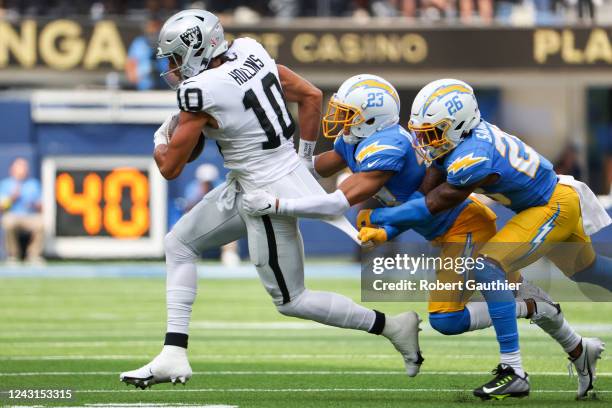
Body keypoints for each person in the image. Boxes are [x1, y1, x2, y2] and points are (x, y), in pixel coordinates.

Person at [242, 74, 597, 400]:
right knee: (463, 313)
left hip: (466, 226)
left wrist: (278, 203)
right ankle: (577, 346)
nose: (339, 119)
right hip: (446, 230)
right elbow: (315, 169)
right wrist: (265, 165)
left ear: (371, 118)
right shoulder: (356, 140)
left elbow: (356, 201)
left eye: (348, 113)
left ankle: (517, 362)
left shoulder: (389, 147)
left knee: (468, 303)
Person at [120, 9, 422, 389]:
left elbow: (169, 167)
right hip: (256, 178)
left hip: (262, 193)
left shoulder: (200, 91)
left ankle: (394, 326)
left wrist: (161, 136)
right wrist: (305, 161)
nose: (174, 66)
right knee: (179, 243)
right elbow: (311, 97)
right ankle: (173, 353)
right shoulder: (250, 52)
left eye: (177, 56)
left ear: (197, 49)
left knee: (292, 300)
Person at [356, 78, 609, 399]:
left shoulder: (473, 154)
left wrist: (383, 218)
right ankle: (570, 345)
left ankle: (513, 370)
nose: (423, 140)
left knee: (487, 266)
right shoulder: (457, 140)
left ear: (458, 126)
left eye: (431, 133)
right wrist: (389, 228)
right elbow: (425, 196)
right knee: (589, 271)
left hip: (551, 205)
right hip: (547, 202)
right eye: (421, 131)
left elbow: (436, 202)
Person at [183, 163, 241, 267]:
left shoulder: (222, 187)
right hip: (199, 222)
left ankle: (229, 255)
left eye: (209, 181)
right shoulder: (192, 188)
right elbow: (188, 210)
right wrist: (200, 194)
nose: (207, 184)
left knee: (230, 227)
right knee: (185, 226)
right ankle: (190, 257)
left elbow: (229, 209)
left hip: (218, 220)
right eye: (205, 181)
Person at [0, 157, 44, 264]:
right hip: (13, 215)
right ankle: (12, 255)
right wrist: (12, 198)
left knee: (41, 223)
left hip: (29, 216)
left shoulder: (33, 184)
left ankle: (34, 256)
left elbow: (41, 205)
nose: (23, 170)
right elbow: (1, 207)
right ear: (12, 169)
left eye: (24, 167)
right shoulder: (5, 184)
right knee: (8, 222)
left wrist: (36, 204)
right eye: (20, 167)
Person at [125, 16, 167, 90]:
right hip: (142, 91)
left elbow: (176, 78)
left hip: (163, 90)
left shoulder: (167, 44)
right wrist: (144, 72)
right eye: (151, 27)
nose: (153, 31)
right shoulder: (138, 43)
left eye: (156, 27)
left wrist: (160, 70)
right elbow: (130, 74)